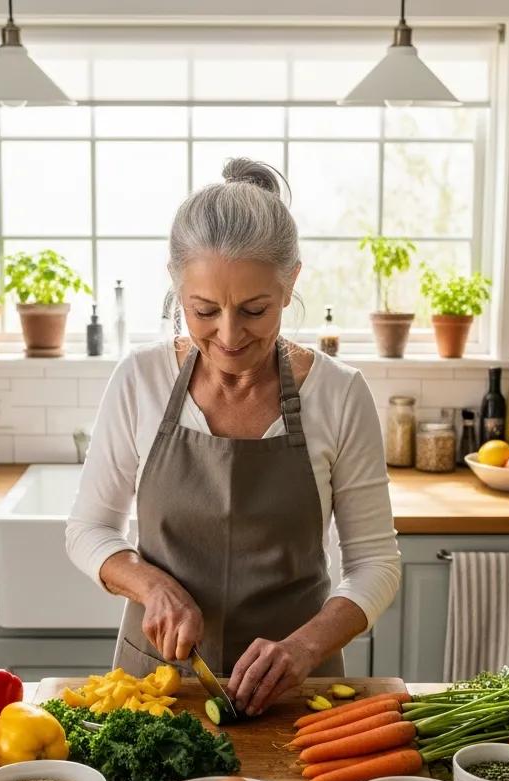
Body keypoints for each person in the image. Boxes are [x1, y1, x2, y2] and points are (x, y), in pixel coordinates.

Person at [66, 158, 401, 716]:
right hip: (157, 688)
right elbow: (88, 530)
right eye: (203, 310)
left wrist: (305, 647)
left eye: (254, 310)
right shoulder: (140, 379)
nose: (227, 335)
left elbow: (376, 562)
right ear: (178, 287)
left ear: (290, 282)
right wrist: (150, 585)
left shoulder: (340, 394)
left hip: (297, 687)